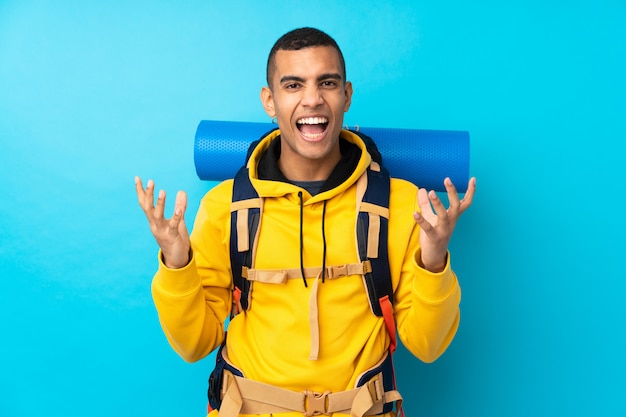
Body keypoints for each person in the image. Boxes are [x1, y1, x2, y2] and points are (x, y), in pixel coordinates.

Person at [136, 27, 476, 417]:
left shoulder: (402, 204)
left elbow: (428, 346)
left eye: (327, 83)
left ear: (346, 95)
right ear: (270, 100)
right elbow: (195, 343)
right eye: (293, 85)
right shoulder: (225, 207)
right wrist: (177, 265)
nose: (312, 99)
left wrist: (433, 261)